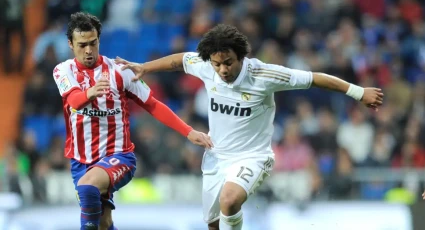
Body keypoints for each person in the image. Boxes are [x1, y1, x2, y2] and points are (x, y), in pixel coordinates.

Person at [115, 24, 384, 230]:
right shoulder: (207, 66)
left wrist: (358, 92)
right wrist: (145, 68)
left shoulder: (264, 75)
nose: (222, 70)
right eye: (217, 64)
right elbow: (179, 61)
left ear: (241, 56)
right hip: (216, 157)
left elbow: (315, 78)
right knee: (213, 224)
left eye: (228, 62)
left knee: (229, 200)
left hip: (253, 157)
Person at [52, 12, 212, 230]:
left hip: (119, 156)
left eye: (93, 43)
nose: (88, 50)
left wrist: (188, 131)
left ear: (99, 40)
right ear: (71, 44)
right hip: (81, 161)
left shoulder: (120, 72)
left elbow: (153, 104)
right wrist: (91, 92)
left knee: (88, 187)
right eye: (82, 45)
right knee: (103, 223)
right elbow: (73, 100)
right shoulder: (63, 70)